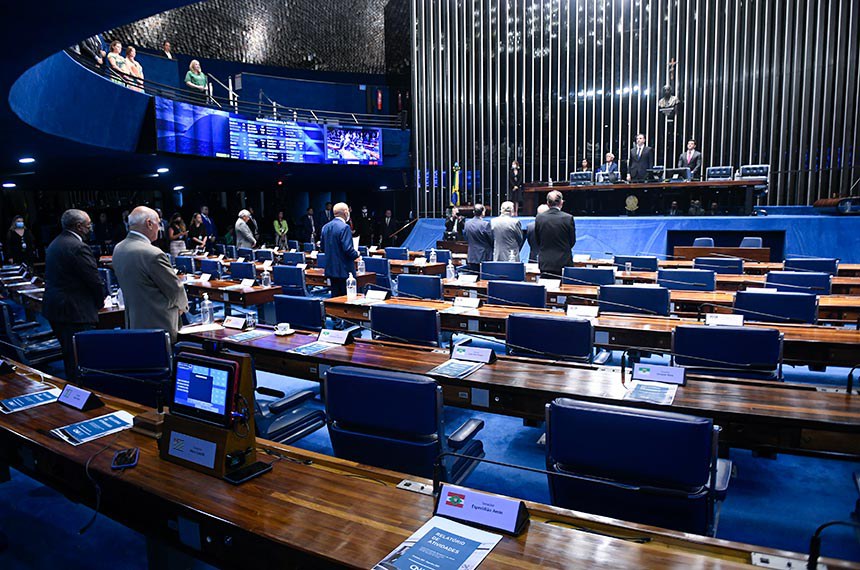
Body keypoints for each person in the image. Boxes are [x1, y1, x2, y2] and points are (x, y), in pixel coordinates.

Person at [42, 210, 105, 380]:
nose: (90, 227)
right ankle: (83, 393)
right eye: (88, 224)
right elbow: (94, 281)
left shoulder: (56, 242)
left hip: (57, 308)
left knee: (70, 357)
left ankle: (73, 392)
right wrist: (100, 303)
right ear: (79, 226)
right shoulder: (77, 247)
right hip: (75, 311)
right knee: (83, 359)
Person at [112, 207, 189, 343]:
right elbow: (175, 289)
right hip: (158, 325)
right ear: (149, 223)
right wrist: (183, 307)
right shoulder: (152, 253)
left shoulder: (118, 248)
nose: (159, 228)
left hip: (134, 322)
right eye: (158, 223)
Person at [320, 203, 360, 298]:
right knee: (346, 300)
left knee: (335, 299)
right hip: (344, 270)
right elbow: (348, 249)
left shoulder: (325, 227)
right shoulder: (345, 227)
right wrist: (356, 254)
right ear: (346, 212)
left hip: (330, 269)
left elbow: (322, 248)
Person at [535, 190, 576, 279]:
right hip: (563, 262)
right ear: (561, 202)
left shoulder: (539, 218)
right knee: (565, 290)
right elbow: (572, 241)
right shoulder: (568, 218)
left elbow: (537, 240)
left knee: (546, 289)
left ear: (547, 203)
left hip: (545, 262)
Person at [463, 204, 493, 274]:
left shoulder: (467, 223)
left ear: (474, 212)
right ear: (483, 212)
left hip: (471, 256)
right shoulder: (485, 224)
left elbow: (466, 237)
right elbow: (491, 240)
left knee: (473, 278)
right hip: (484, 256)